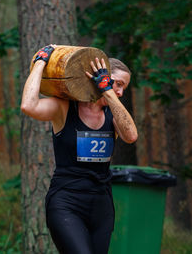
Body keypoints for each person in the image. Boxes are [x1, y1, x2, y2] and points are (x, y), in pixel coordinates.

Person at [20, 45, 138, 254]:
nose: (119, 92)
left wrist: (108, 91)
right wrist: (40, 62)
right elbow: (28, 106)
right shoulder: (65, 107)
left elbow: (131, 136)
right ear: (98, 77)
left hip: (101, 207)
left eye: (123, 88)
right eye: (117, 84)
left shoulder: (114, 114)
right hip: (67, 204)